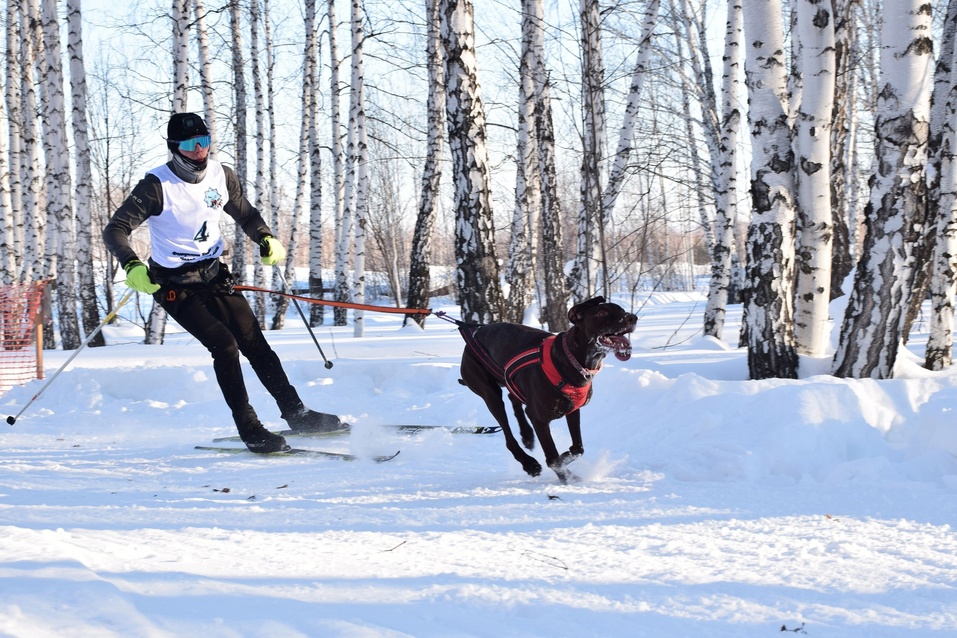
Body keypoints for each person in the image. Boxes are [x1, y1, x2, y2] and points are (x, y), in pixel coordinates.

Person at [103, 112, 346, 453]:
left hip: (214, 275)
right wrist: (131, 264)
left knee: (255, 344)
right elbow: (115, 229)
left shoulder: (221, 175)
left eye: (205, 141)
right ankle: (249, 426)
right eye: (191, 144)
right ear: (175, 147)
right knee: (224, 344)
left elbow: (244, 214)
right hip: (173, 284)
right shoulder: (157, 186)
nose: (200, 149)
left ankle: (297, 413)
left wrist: (265, 237)